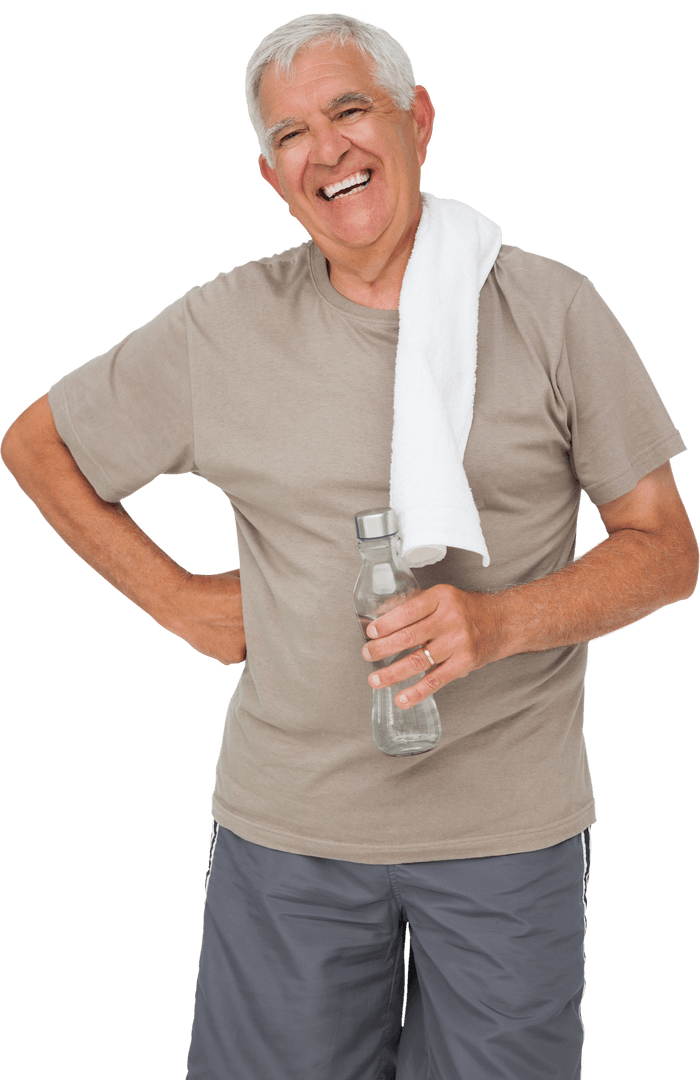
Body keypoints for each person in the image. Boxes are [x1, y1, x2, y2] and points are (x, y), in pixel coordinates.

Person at [1, 10, 697, 1079]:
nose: (324, 150)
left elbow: (664, 549)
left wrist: (501, 620)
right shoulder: (221, 326)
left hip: (506, 842)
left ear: (416, 120)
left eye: (348, 109)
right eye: (289, 135)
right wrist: (181, 602)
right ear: (271, 176)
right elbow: (38, 443)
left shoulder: (552, 308)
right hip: (289, 837)